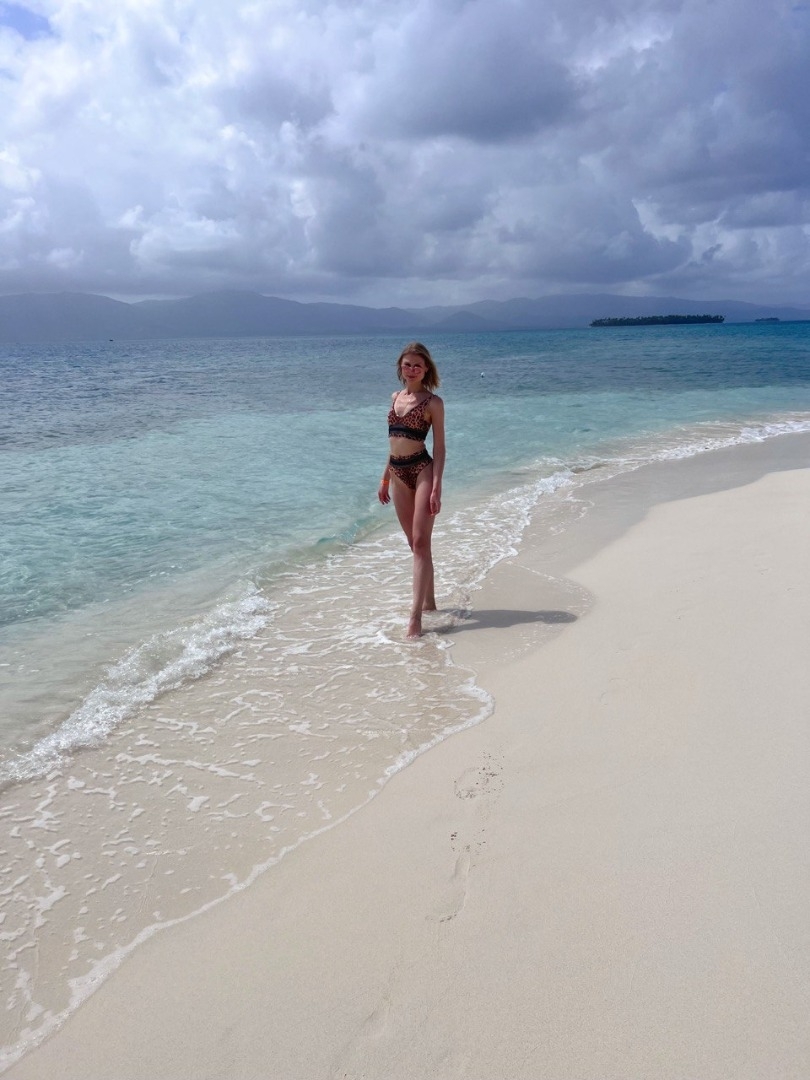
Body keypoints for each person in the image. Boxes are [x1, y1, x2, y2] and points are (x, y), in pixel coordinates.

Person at [378, 342, 445, 638]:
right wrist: (384, 479)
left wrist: (437, 486)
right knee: (414, 543)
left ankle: (415, 618)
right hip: (397, 474)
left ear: (426, 368)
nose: (412, 369)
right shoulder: (395, 398)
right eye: (407, 364)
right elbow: (393, 443)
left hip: (422, 471)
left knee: (420, 541)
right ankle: (429, 602)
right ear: (400, 367)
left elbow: (440, 448)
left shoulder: (433, 403)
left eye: (418, 365)